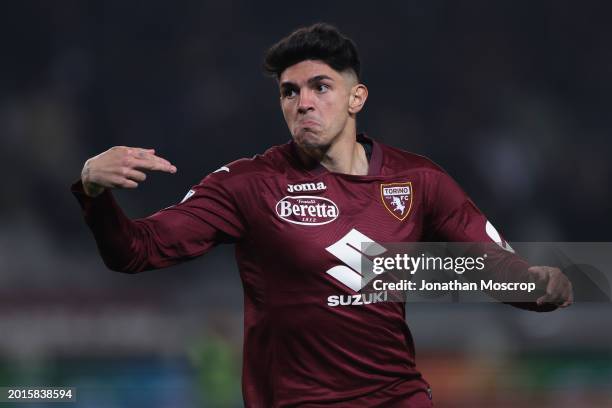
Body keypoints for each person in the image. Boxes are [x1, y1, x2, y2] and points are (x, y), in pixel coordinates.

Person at [72, 23, 573, 407]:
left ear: (357, 98)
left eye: (320, 87)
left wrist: (539, 286)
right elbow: (135, 252)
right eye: (290, 92)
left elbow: (492, 265)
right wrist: (94, 188)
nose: (303, 103)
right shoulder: (247, 185)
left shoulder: (418, 180)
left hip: (397, 397)